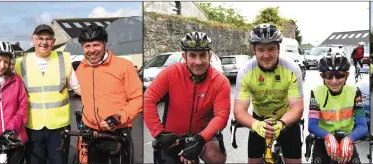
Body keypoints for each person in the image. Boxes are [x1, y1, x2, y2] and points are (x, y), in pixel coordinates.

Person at [144, 31, 230, 164]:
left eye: (203, 55)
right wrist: (159, 133)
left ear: (210, 55)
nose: (198, 61)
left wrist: (200, 140)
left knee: (217, 158)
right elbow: (148, 99)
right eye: (192, 56)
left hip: (202, 136)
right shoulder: (171, 72)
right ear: (184, 56)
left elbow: (222, 116)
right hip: (173, 137)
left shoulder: (220, 81)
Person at [233, 23, 305, 163]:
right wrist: (256, 125)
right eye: (261, 49)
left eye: (271, 49)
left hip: (286, 120)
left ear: (278, 48)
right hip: (259, 120)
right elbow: (239, 111)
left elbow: (297, 108)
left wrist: (282, 123)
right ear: (253, 50)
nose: (266, 55)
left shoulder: (292, 69)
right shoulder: (245, 72)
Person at [75, 25, 143, 164]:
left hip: (118, 131)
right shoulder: (81, 68)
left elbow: (138, 98)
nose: (92, 50)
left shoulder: (124, 65)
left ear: (105, 43)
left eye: (96, 45)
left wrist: (119, 117)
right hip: (91, 132)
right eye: (87, 46)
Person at [15, 24, 81, 164]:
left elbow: (78, 88)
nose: (44, 42)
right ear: (33, 39)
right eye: (40, 38)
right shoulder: (21, 63)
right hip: (32, 127)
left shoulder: (63, 59)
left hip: (59, 128)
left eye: (48, 39)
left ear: (54, 41)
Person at [307, 50, 366, 164]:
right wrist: (328, 136)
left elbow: (362, 125)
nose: (334, 81)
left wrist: (349, 138)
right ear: (322, 76)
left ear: (347, 75)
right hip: (323, 138)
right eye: (329, 75)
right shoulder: (316, 92)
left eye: (339, 75)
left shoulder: (355, 92)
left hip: (347, 139)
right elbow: (312, 125)